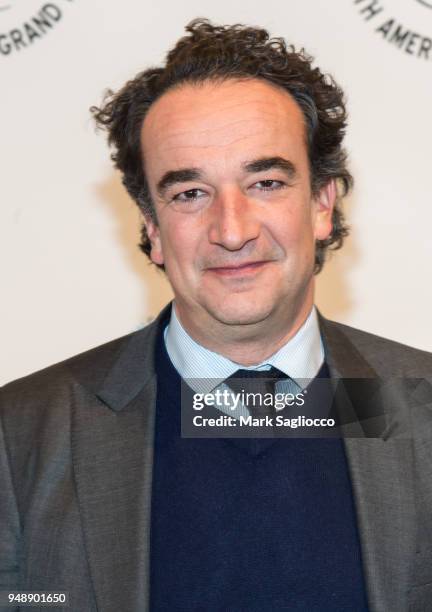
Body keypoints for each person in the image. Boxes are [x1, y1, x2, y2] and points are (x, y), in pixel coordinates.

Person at [1, 18, 432, 612]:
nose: (232, 231)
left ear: (322, 205)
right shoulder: (21, 433)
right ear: (152, 228)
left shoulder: (422, 410)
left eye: (266, 182)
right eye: (189, 194)